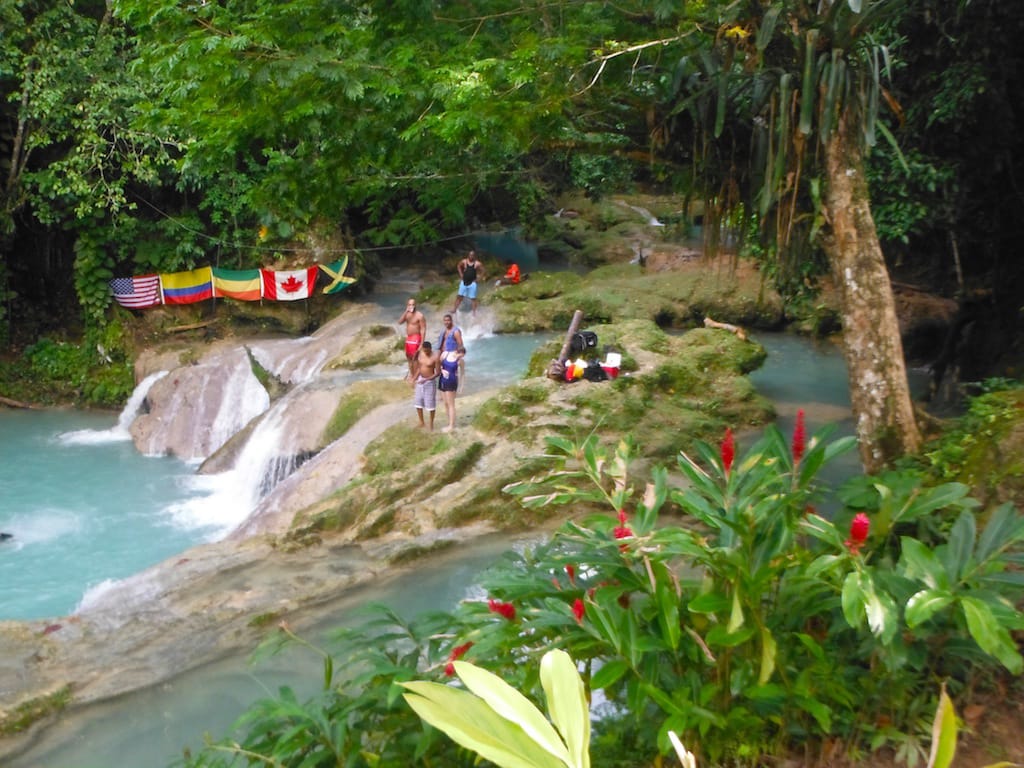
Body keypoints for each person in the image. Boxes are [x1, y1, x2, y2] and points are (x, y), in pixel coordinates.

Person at [412, 340, 440, 429]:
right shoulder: (421, 353)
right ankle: (421, 422)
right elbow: (419, 368)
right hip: (420, 379)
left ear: (430, 349)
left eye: (427, 351)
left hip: (430, 382)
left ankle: (431, 423)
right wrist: (414, 378)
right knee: (418, 401)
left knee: (430, 403)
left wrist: (427, 379)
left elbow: (438, 373)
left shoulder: (435, 357)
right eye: (425, 351)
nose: (426, 353)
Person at [397, 297, 426, 380]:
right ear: (407, 305)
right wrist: (406, 311)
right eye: (409, 304)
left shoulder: (420, 316)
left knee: (415, 358)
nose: (411, 306)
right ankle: (412, 375)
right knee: (409, 357)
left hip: (416, 337)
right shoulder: (407, 314)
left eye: (413, 304)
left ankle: (415, 377)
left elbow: (423, 329)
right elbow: (399, 322)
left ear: (415, 305)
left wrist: (421, 343)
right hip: (409, 338)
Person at [452, 250, 485, 315]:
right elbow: (458, 266)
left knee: (473, 298)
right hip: (464, 281)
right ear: (468, 255)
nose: (471, 256)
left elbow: (483, 270)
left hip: (472, 283)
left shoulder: (477, 263)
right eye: (470, 255)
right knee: (459, 296)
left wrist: (479, 279)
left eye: (472, 255)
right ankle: (454, 309)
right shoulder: (464, 261)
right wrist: (461, 274)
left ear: (474, 256)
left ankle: (474, 312)